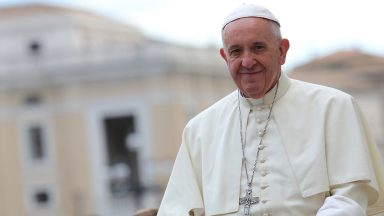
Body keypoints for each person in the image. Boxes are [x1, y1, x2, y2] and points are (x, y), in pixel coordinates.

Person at [157, 3, 384, 216]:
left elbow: (350, 197)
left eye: (258, 48)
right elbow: (177, 209)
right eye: (236, 51)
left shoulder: (334, 107)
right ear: (225, 57)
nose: (247, 61)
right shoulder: (199, 130)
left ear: (282, 50)